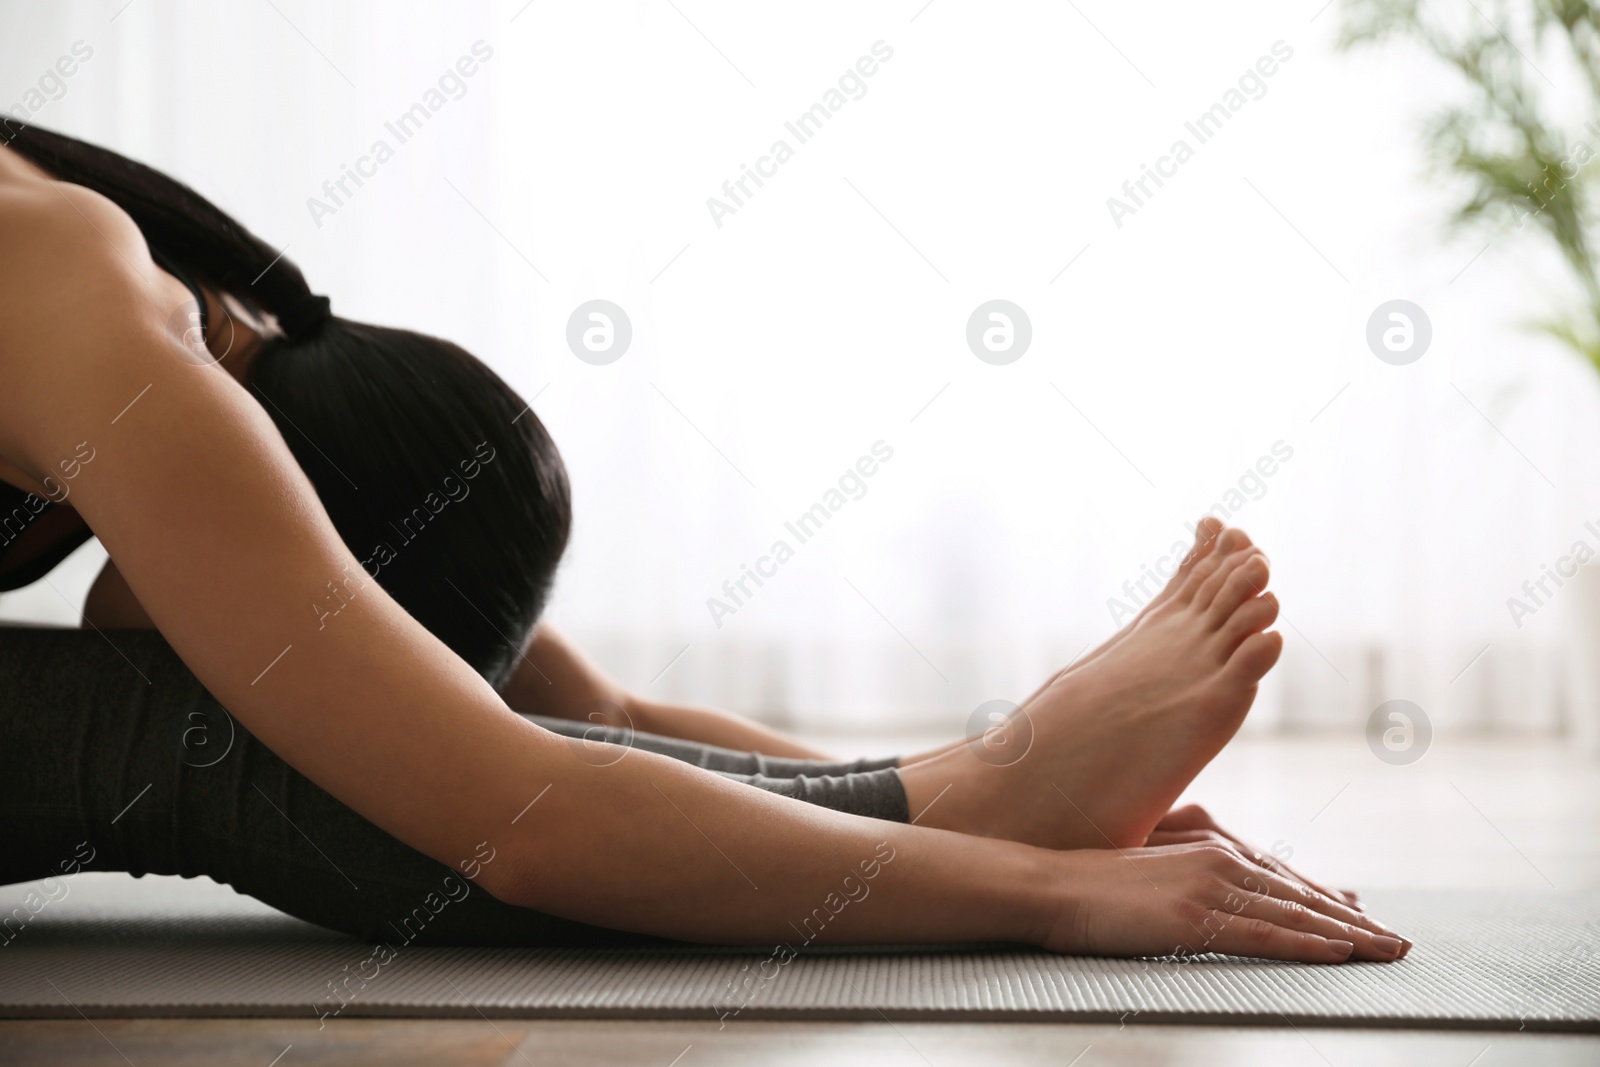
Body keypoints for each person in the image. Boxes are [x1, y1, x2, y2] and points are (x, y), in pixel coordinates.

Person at [0, 120, 1409, 962]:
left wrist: (966, 784)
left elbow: (589, 719)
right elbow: (522, 815)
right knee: (187, 733)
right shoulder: (75, 297)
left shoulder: (151, 317)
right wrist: (1035, 884)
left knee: (354, 735)